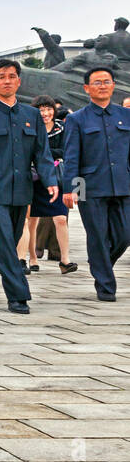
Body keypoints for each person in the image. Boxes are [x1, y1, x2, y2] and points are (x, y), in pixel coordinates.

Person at [0, 59, 57, 314]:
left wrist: (51, 180)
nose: (7, 80)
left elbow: (42, 153)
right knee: (4, 240)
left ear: (19, 81)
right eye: (1, 77)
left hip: (21, 190)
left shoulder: (31, 115)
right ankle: (18, 294)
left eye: (12, 76)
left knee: (10, 239)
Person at [61, 67, 130, 301]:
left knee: (125, 234)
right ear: (87, 88)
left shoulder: (126, 115)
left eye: (107, 81)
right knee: (97, 236)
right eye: (97, 82)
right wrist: (70, 189)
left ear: (113, 85)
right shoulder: (76, 119)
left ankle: (100, 262)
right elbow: (71, 157)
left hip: (124, 184)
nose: (103, 85)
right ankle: (106, 285)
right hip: (90, 187)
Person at [27, 95, 77, 275]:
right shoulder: (30, 127)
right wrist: (49, 155)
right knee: (31, 220)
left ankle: (65, 260)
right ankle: (32, 257)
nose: (45, 113)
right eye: (41, 110)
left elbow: (68, 150)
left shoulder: (62, 128)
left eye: (49, 109)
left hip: (57, 178)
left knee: (61, 218)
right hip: (34, 179)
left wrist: (45, 153)